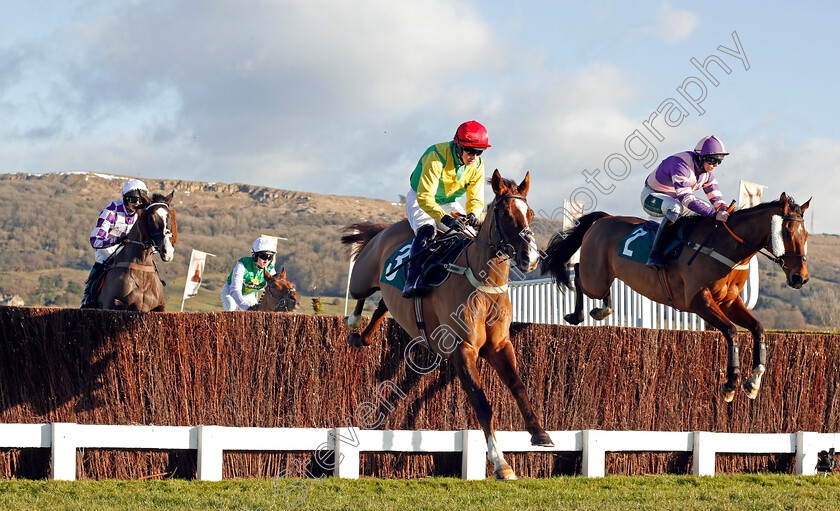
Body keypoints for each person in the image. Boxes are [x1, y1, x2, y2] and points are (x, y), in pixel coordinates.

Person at [401, 120, 490, 298]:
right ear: (457, 145)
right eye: (470, 151)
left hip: (448, 202)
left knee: (470, 234)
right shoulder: (436, 155)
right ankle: (411, 280)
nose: (474, 157)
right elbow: (426, 198)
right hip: (420, 198)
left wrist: (473, 213)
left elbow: (475, 197)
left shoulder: (477, 165)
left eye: (479, 152)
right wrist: (445, 218)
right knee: (427, 231)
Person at [640, 135, 731, 269]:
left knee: (705, 207)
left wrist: (724, 209)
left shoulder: (707, 172)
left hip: (674, 199)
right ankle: (654, 255)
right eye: (712, 160)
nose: (715, 165)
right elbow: (687, 199)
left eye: (720, 161)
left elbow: (716, 198)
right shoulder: (681, 165)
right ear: (700, 157)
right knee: (676, 208)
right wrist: (713, 214)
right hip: (652, 196)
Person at [81, 178, 148, 308]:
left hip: (129, 252)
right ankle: (88, 295)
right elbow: (95, 240)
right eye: (133, 200)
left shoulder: (143, 215)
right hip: (108, 250)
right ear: (125, 199)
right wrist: (118, 240)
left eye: (141, 200)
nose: (138, 203)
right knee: (101, 263)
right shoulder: (112, 210)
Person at [220, 236, 277, 311]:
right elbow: (235, 290)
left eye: (270, 257)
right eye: (264, 256)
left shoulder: (270, 270)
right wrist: (246, 307)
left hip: (249, 295)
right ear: (255, 255)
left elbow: (274, 290)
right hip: (230, 292)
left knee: (257, 315)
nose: (266, 260)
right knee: (233, 311)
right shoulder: (242, 264)